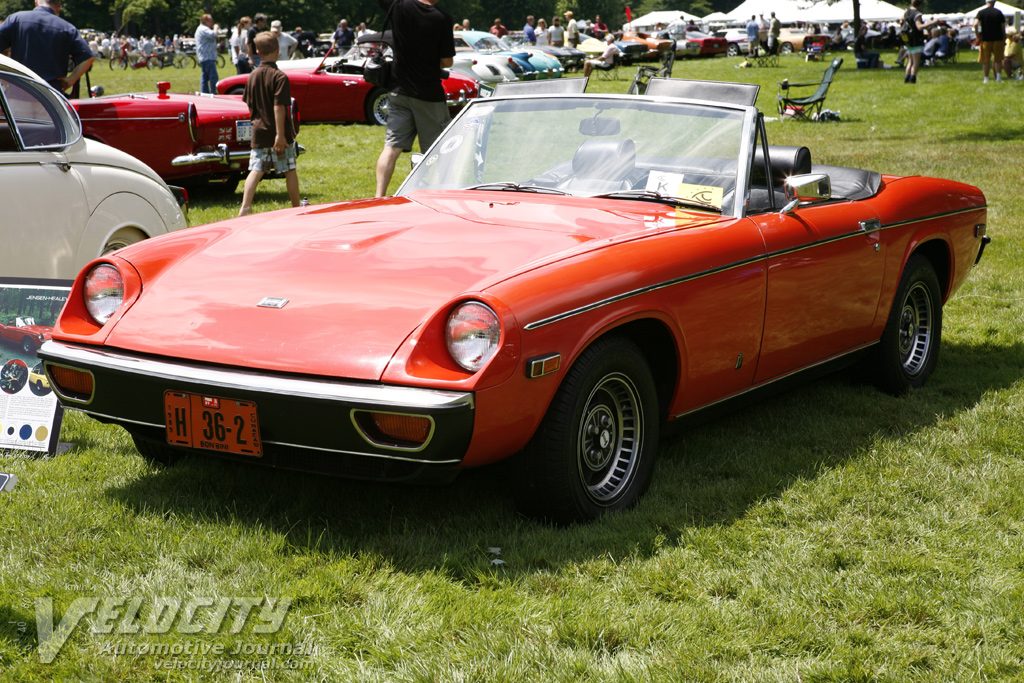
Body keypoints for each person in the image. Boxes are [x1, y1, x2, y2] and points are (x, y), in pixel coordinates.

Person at [374, 0, 455, 198]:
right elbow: (447, 61)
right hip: (428, 94)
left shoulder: (399, 6)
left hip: (398, 90)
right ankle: (438, 196)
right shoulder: (442, 18)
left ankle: (378, 196)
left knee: (391, 147)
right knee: (439, 151)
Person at [239, 31, 300, 216]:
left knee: (256, 169)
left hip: (259, 132)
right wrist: (280, 135)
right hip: (278, 134)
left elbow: (248, 103)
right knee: (289, 169)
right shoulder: (280, 77)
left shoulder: (252, 76)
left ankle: (245, 207)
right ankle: (296, 208)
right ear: (278, 48)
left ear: (257, 51)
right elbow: (279, 107)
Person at [0, 0, 95, 96]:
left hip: (19, 91)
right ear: (59, 8)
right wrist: (70, 80)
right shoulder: (67, 28)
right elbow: (88, 57)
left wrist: (6, 76)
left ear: (36, 3)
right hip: (51, 97)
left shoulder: (16, 19)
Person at [903, 0, 941, 83]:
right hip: (915, 39)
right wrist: (933, 22)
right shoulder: (917, 14)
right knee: (916, 61)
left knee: (910, 60)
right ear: (920, 4)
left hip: (908, 39)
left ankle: (907, 77)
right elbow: (919, 27)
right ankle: (912, 78)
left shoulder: (907, 12)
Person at [974, 0, 1006, 83]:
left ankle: (986, 79)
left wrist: (978, 36)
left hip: (985, 39)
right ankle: (998, 78)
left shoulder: (981, 12)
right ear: (994, 2)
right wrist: (1004, 38)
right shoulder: (999, 12)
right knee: (998, 59)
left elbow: (975, 24)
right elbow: (1003, 27)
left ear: (986, 2)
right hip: (998, 38)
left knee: (986, 60)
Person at [195, 14, 219, 94]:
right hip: (208, 57)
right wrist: (216, 28)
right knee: (213, 77)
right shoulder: (204, 29)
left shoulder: (200, 29)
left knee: (205, 77)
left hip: (204, 57)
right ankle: (213, 93)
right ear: (205, 21)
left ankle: (204, 93)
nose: (212, 23)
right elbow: (214, 35)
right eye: (211, 21)